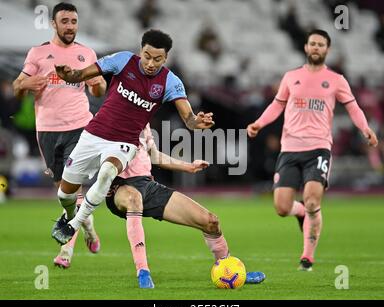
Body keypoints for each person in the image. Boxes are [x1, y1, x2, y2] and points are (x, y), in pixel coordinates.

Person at [51, 29, 215, 246]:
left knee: (108, 172)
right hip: (94, 135)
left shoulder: (170, 82)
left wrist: (197, 122)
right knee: (65, 194)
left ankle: (74, 224)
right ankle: (69, 215)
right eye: (147, 56)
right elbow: (79, 75)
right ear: (141, 51)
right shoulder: (122, 61)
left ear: (166, 58)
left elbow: (189, 119)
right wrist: (67, 74)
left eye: (157, 59)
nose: (150, 63)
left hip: (124, 143)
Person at [247, 29, 378, 271]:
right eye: (312, 44)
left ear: (327, 50)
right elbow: (277, 105)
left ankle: (307, 257)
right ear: (306, 48)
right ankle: (300, 214)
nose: (316, 48)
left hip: (318, 148)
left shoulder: (337, 80)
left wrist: (365, 129)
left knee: (311, 200)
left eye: (321, 44)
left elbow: (354, 108)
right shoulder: (291, 77)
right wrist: (259, 123)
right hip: (289, 149)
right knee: (282, 207)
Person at [105, 124, 265, 288]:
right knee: (133, 199)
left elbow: (154, 156)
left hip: (147, 185)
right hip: (120, 187)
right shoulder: (111, 116)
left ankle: (228, 271)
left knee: (211, 221)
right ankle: (143, 272)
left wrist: (189, 166)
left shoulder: (144, 118)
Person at [12, 2, 107, 267]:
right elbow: (17, 86)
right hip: (48, 132)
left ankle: (66, 251)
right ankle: (87, 225)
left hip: (80, 128)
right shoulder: (39, 53)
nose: (70, 26)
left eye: (73, 21)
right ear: (54, 23)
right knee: (65, 196)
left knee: (72, 188)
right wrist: (25, 85)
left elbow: (98, 91)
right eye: (64, 21)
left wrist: (98, 84)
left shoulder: (86, 54)